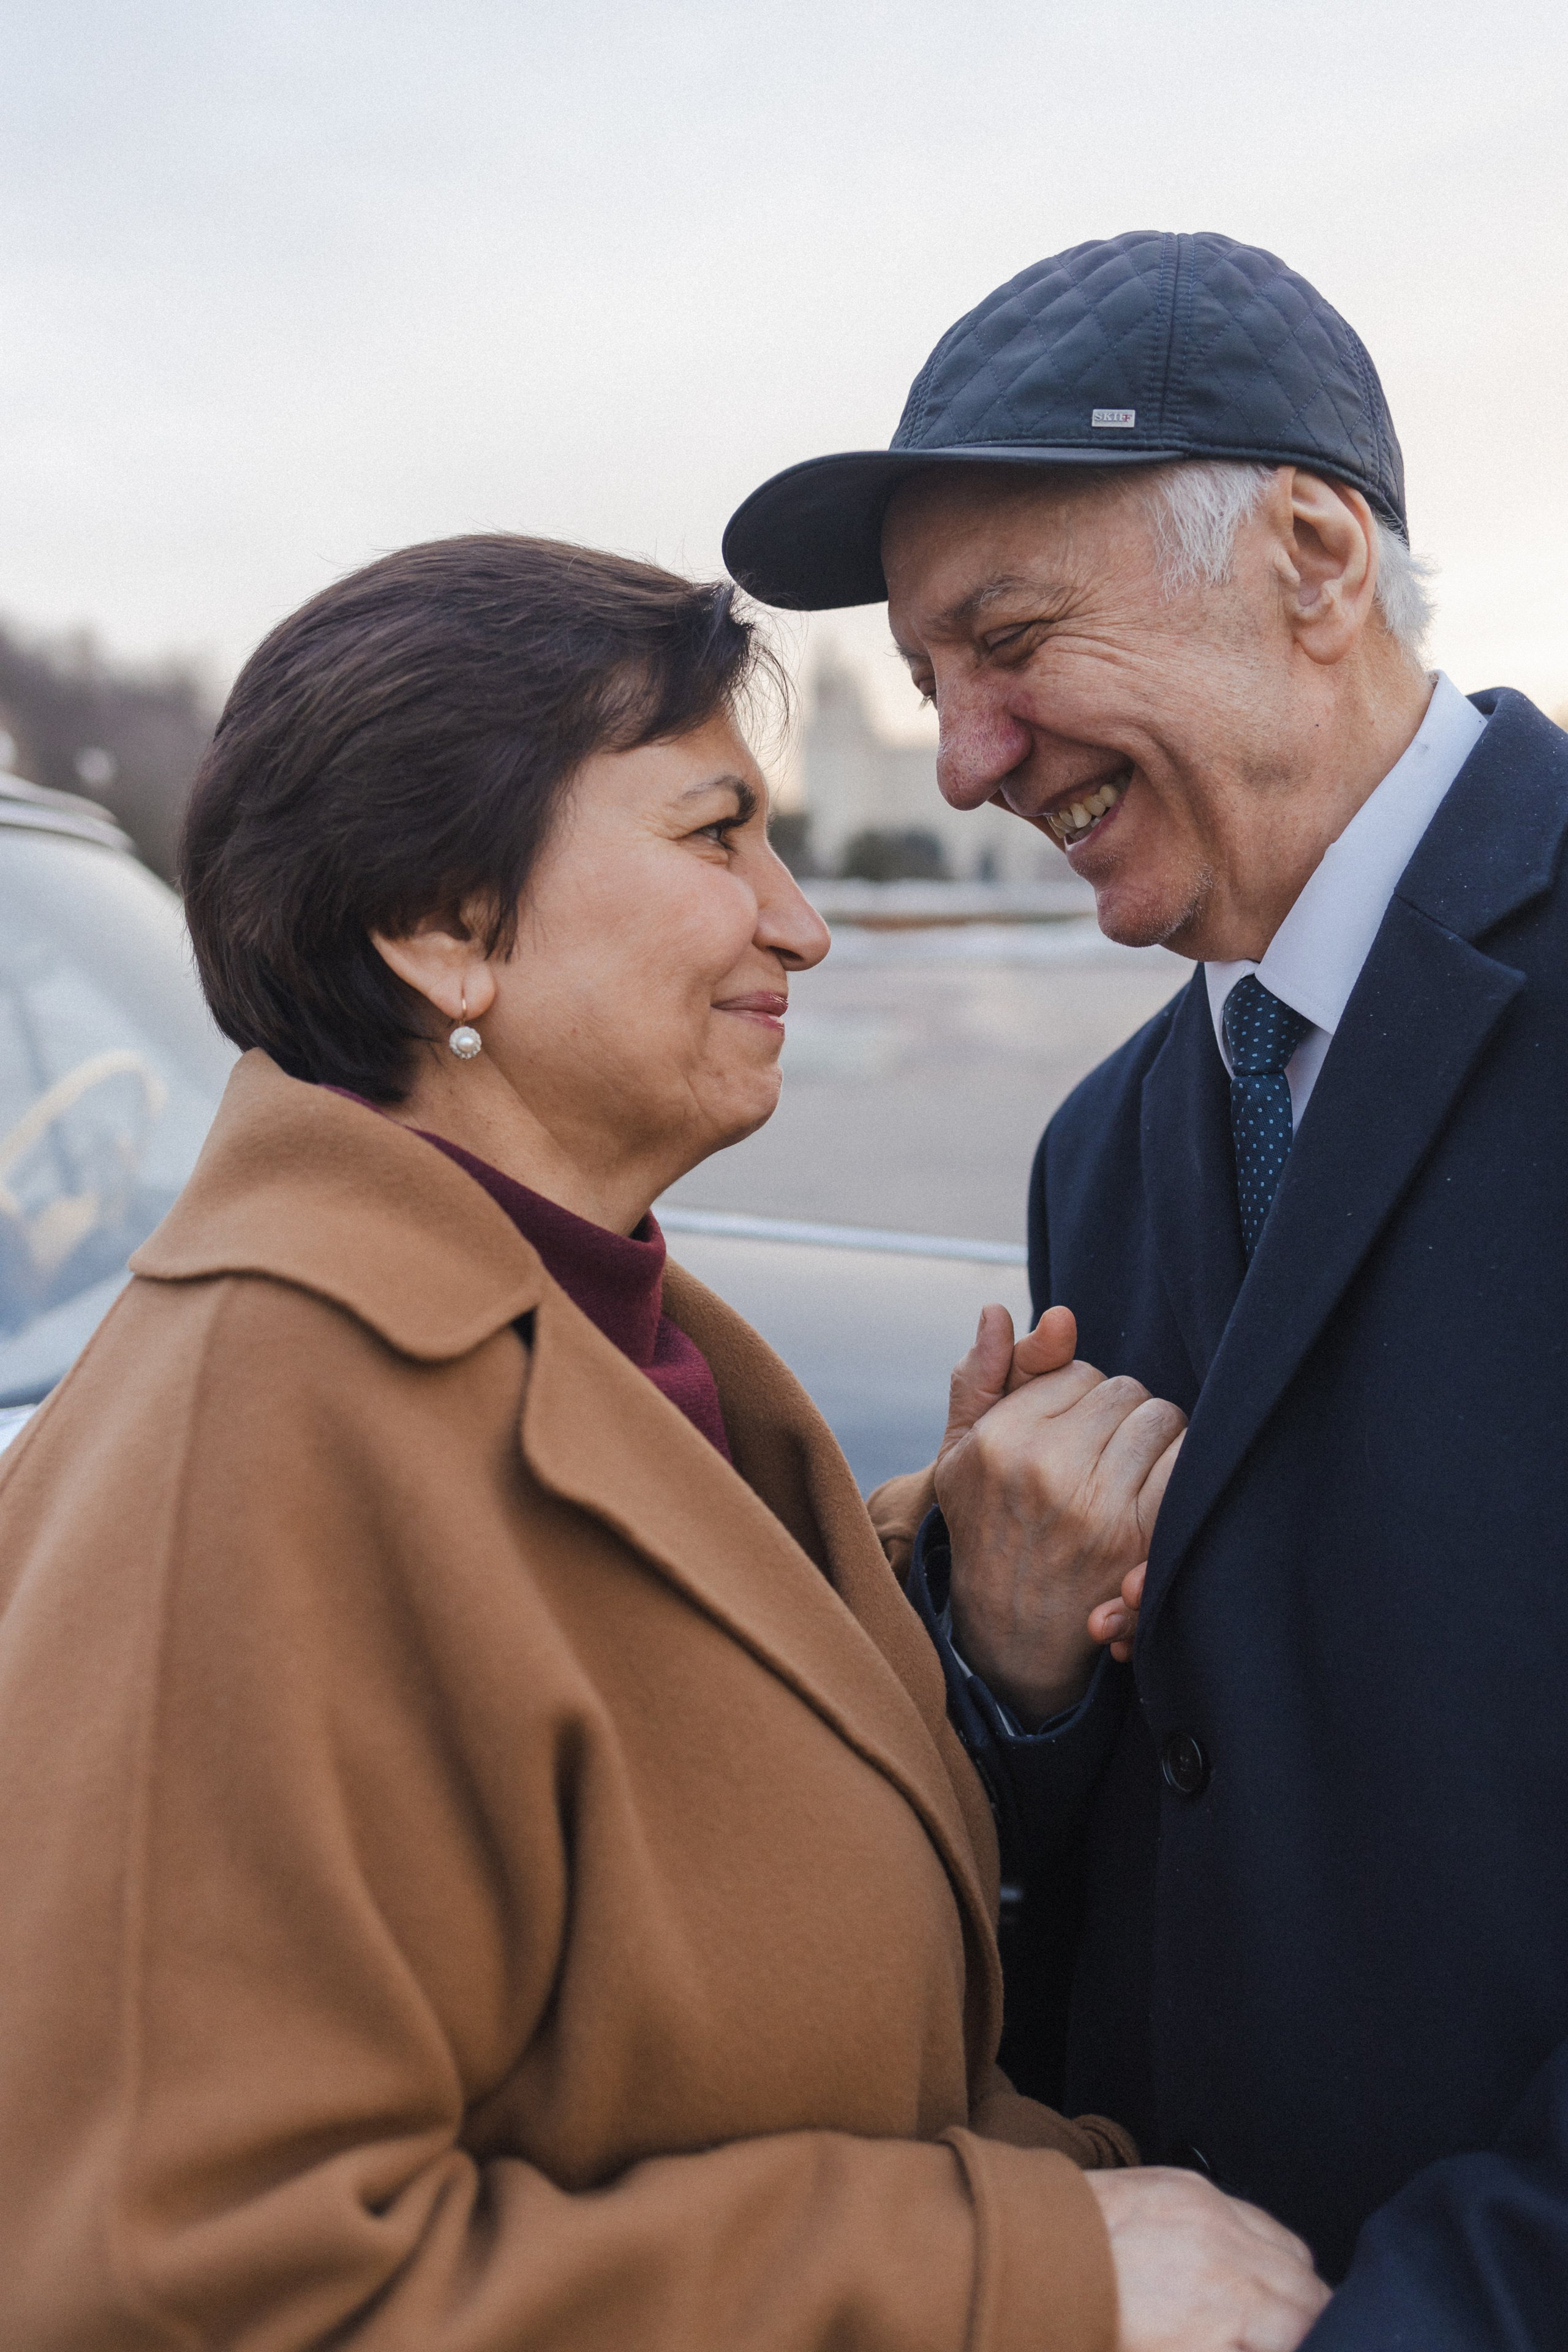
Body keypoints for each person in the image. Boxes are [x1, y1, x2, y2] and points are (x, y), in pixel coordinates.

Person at [0, 534, 1329, 2352]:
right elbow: (191, 2287)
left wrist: (978, 1628)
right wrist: (1013, 2273)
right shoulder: (245, 1447)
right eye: (718, 836)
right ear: (444, 926)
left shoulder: (619, 1334)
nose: (803, 917)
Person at [723, 229, 1568, 2346]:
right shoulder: (1099, 1147)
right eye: (927, 685)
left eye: (1009, 643)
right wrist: (1020, 1679)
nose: (965, 762)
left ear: (1312, 554)